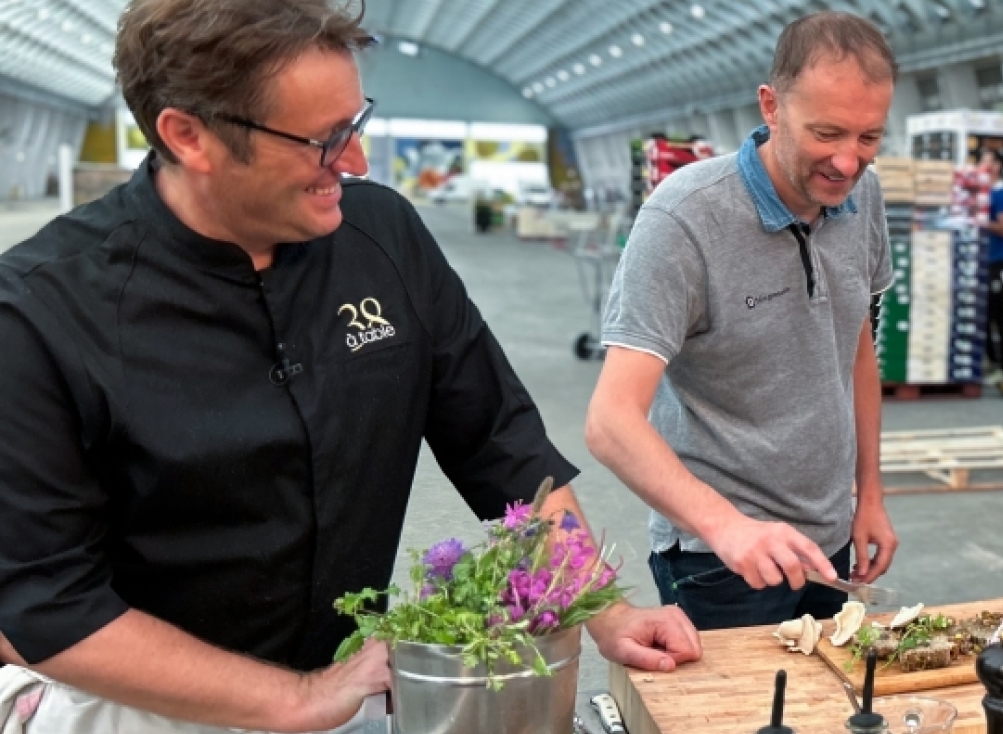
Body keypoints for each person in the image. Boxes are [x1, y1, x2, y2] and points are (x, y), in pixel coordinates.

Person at [0, 2, 700, 732]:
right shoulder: (40, 312)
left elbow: (501, 445)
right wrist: (295, 699)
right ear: (188, 135)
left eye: (354, 124)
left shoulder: (384, 237)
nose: (357, 163)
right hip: (145, 708)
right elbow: (44, 603)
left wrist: (603, 608)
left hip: (346, 693)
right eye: (322, 140)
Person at [585, 11, 899, 631]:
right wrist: (729, 527)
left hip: (829, 541)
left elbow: (857, 348)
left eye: (868, 138)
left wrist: (870, 494)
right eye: (827, 132)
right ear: (771, 106)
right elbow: (610, 422)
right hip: (721, 560)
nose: (846, 161)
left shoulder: (864, 199)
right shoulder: (684, 219)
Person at [978, 150, 1003, 383]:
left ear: (996, 167)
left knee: (999, 315)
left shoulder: (1002, 193)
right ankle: (990, 362)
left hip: (1000, 261)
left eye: (986, 161)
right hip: (985, 260)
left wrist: (980, 221)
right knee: (983, 315)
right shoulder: (985, 192)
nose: (983, 165)